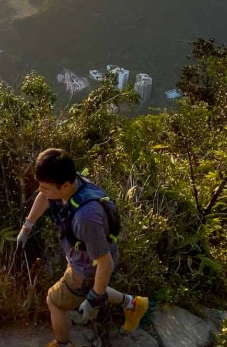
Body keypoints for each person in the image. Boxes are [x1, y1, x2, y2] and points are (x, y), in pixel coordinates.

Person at [17, 148, 148, 347]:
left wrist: (93, 300)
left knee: (54, 301)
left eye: (45, 186)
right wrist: (27, 227)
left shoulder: (86, 217)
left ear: (65, 185)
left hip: (87, 268)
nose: (40, 190)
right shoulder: (70, 181)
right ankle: (133, 304)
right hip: (88, 257)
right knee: (88, 288)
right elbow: (45, 196)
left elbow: (105, 264)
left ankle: (63, 344)